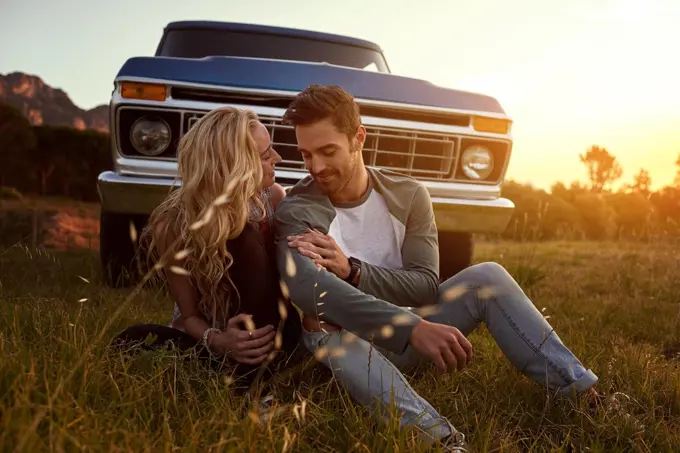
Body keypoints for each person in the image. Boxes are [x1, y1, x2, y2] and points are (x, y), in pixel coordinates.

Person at [273, 85, 600, 452]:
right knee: (324, 327)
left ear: (358, 137)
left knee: (487, 276)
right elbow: (308, 290)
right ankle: (443, 442)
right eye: (306, 154)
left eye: (327, 151)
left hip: (419, 335)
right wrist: (410, 327)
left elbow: (425, 286)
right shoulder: (297, 209)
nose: (316, 166)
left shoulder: (409, 194)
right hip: (352, 350)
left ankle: (583, 395)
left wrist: (353, 271)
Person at [112, 106, 302, 387]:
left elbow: (283, 285)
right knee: (129, 340)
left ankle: (254, 380)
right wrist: (219, 340)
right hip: (212, 338)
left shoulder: (273, 200)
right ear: (234, 167)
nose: (278, 158)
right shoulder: (174, 223)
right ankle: (230, 372)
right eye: (265, 155)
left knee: (244, 236)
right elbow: (188, 315)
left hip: (270, 331)